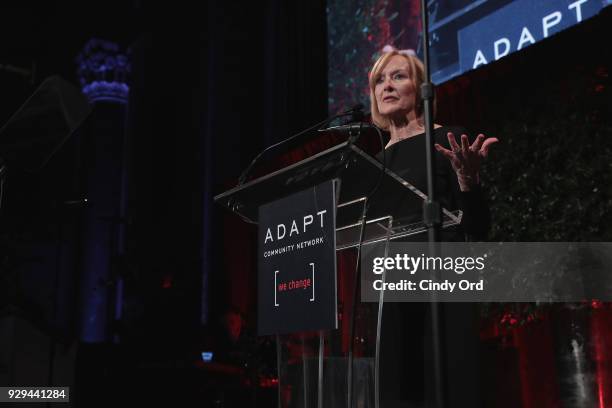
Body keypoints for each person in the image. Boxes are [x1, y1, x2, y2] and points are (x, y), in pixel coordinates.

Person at [367, 49, 498, 407]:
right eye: (380, 80)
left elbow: (478, 227)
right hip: (393, 294)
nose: (387, 86)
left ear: (421, 88)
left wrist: (467, 180)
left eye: (398, 76)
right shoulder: (372, 164)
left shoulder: (447, 141)